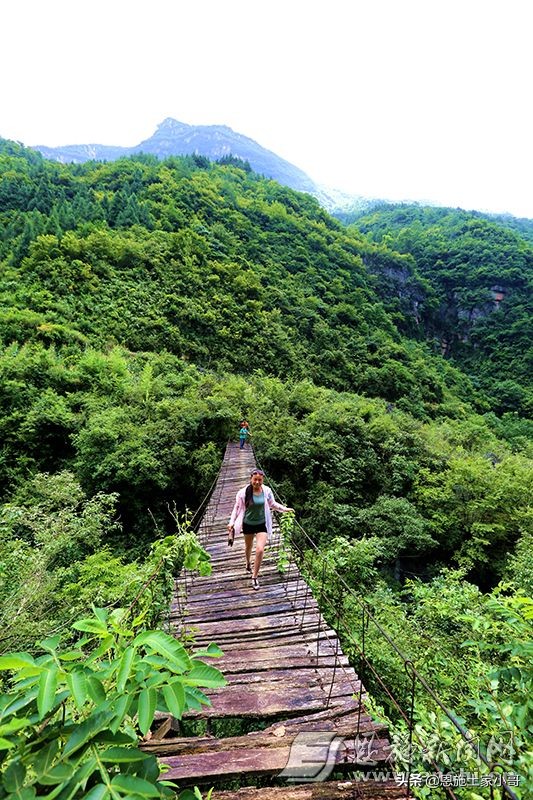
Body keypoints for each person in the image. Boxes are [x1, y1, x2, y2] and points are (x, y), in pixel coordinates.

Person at [227, 468, 294, 590]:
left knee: (260, 549)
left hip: (262, 524)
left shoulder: (267, 491)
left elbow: (272, 504)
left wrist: (284, 509)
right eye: (255, 480)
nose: (257, 482)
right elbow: (236, 509)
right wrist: (231, 522)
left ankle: (254, 577)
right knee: (248, 547)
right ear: (250, 479)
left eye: (260, 480)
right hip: (247, 524)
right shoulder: (242, 493)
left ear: (263, 480)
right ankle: (248, 563)